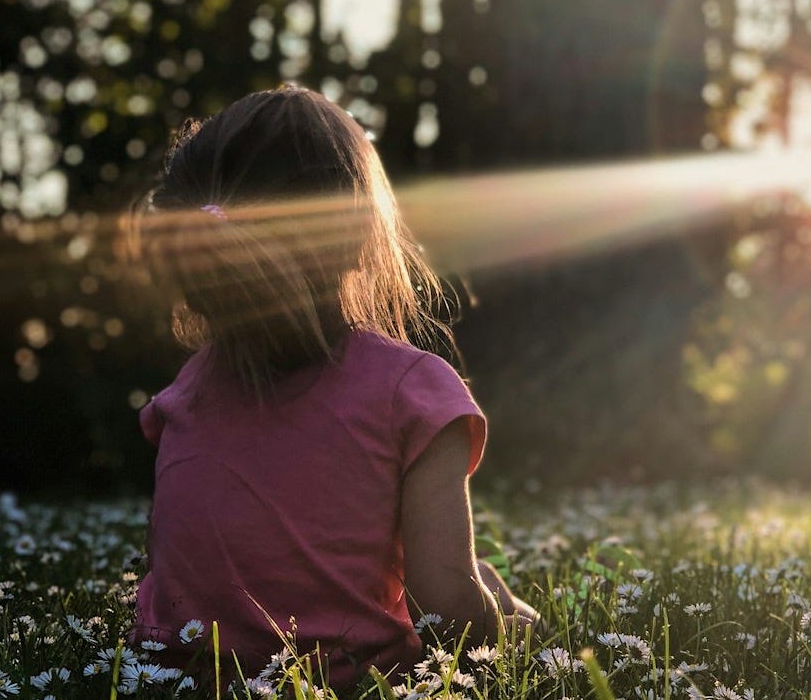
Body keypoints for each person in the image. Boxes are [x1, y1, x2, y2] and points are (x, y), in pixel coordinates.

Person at [129, 86, 537, 689]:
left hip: (174, 680)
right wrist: (517, 629)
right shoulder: (412, 392)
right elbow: (448, 610)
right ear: (353, 237)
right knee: (485, 588)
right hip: (346, 685)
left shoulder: (186, 393)